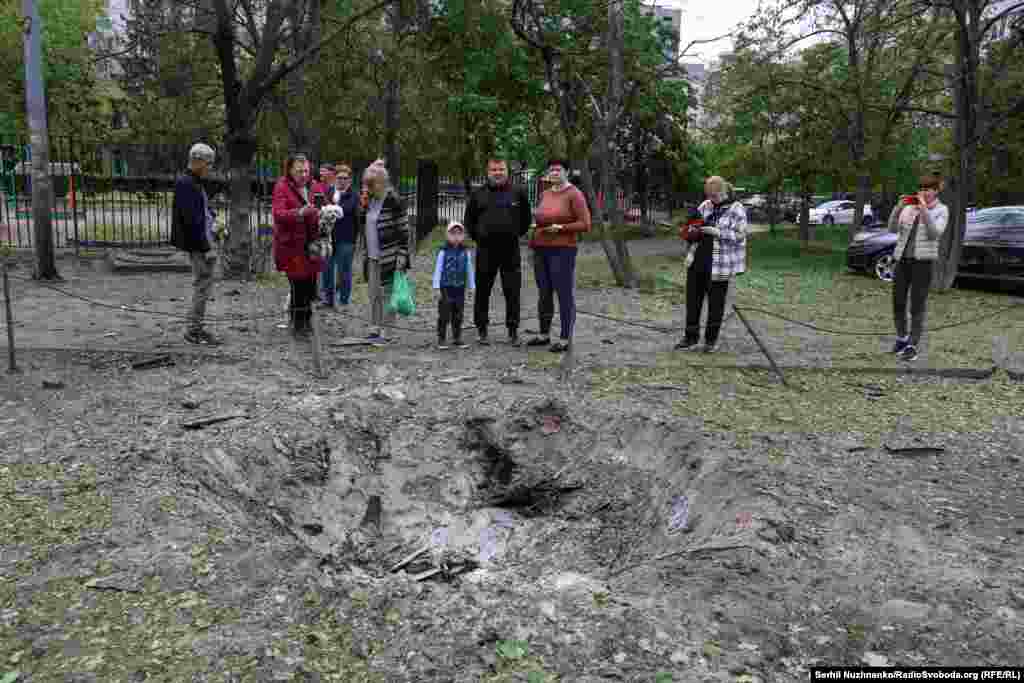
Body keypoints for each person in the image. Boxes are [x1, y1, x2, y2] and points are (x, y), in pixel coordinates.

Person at [675, 176, 748, 353]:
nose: (711, 199)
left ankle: (710, 341)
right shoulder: (705, 205)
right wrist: (691, 229)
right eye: (708, 195)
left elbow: (740, 236)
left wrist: (718, 232)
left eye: (714, 196)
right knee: (693, 302)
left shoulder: (737, 209)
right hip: (697, 261)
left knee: (716, 305)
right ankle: (690, 338)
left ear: (723, 192)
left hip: (719, 265)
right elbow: (693, 225)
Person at [464, 157, 532, 345]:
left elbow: (526, 219)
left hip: (510, 250)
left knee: (512, 291)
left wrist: (514, 234)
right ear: (488, 172)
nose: (498, 173)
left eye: (501, 169)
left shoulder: (518, 192)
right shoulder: (478, 194)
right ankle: (482, 329)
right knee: (482, 291)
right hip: (486, 250)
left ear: (507, 171)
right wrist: (480, 237)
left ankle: (512, 330)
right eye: (494, 169)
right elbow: (469, 221)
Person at [528, 158, 591, 353]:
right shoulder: (545, 193)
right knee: (544, 291)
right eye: (551, 170)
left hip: (563, 249)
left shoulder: (575, 194)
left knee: (563, 292)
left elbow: (585, 224)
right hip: (540, 248)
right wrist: (535, 224)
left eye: (558, 169)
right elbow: (540, 216)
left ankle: (565, 338)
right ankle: (544, 334)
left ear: (567, 172)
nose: (554, 173)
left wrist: (562, 228)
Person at [887, 173, 949, 362]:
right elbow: (892, 229)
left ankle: (912, 345)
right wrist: (898, 208)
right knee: (897, 302)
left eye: (928, 189)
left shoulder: (941, 210)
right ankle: (902, 338)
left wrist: (923, 209)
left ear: (936, 191)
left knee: (917, 305)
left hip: (923, 262)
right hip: (903, 260)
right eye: (921, 189)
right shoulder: (909, 209)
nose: (923, 192)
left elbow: (934, 233)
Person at [358, 159, 414, 342]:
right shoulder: (371, 200)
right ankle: (374, 327)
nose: (367, 188)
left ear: (380, 183)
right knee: (374, 293)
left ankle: (387, 331)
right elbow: (363, 223)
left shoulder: (394, 201)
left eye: (370, 184)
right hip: (373, 256)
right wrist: (363, 204)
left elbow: (404, 231)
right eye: (365, 184)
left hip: (390, 255)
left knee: (389, 294)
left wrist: (403, 255)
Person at [171, 142, 219, 345]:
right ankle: (194, 330)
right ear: (197, 161)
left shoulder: (194, 181)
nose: (210, 167)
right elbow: (192, 221)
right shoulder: (186, 183)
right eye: (208, 163)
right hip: (199, 244)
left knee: (204, 285)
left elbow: (201, 212)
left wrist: (213, 217)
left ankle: (196, 327)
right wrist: (206, 247)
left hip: (203, 240)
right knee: (202, 285)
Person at [272, 153, 324, 338]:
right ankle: (298, 324)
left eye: (306, 171)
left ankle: (308, 321)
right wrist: (300, 212)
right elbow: (278, 214)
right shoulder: (282, 186)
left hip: (312, 244)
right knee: (298, 285)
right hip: (292, 246)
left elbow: (324, 206)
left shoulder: (316, 186)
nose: (304, 174)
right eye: (299, 171)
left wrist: (328, 213)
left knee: (310, 285)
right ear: (290, 170)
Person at [320, 163, 359, 307]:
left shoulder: (354, 195)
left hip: (347, 238)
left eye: (345, 178)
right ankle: (328, 299)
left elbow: (345, 210)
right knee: (327, 269)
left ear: (349, 180)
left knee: (344, 270)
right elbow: (322, 210)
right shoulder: (329, 192)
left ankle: (343, 300)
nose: (342, 180)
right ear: (334, 178)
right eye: (339, 178)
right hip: (329, 238)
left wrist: (331, 209)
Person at [432, 221, 476, 349]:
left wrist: (471, 286)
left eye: (459, 233)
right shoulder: (443, 252)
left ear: (463, 236)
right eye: (453, 233)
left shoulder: (465, 252)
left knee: (458, 314)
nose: (456, 236)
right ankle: (441, 338)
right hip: (446, 287)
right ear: (447, 235)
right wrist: (436, 286)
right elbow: (438, 269)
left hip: (459, 287)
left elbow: (469, 269)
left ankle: (457, 337)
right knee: (444, 314)